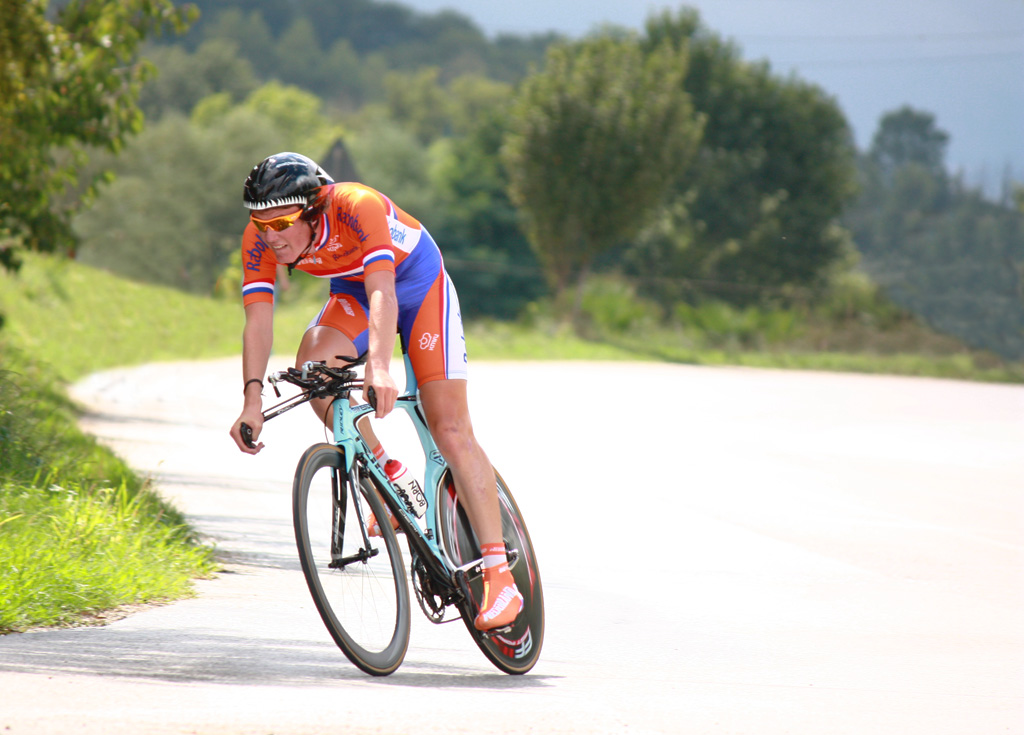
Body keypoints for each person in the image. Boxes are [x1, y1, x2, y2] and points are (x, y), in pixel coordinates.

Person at [228, 152, 522, 631]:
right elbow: (258, 320)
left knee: (449, 427)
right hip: (354, 293)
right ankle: (389, 475)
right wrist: (252, 401)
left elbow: (384, 288)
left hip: (416, 287)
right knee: (313, 370)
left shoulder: (355, 206)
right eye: (260, 223)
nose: (271, 235)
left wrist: (380, 368)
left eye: (281, 221)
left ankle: (499, 573)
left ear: (312, 208)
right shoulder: (260, 240)